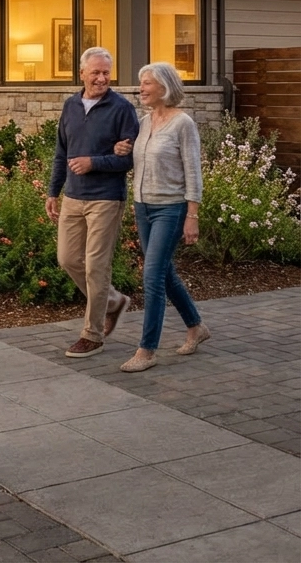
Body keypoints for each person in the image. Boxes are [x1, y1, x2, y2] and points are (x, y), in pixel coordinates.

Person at [46, 48, 139, 358]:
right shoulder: (70, 106)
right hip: (73, 197)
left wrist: (93, 162)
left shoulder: (122, 109)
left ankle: (93, 335)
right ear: (82, 74)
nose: (101, 78)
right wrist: (53, 191)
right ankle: (112, 302)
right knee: (68, 259)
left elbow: (129, 160)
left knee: (96, 266)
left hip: (106, 198)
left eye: (106, 73)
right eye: (96, 72)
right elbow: (61, 153)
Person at [119, 62, 209, 372]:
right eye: (141, 82)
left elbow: (193, 172)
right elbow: (140, 161)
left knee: (152, 276)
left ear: (164, 87)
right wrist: (122, 150)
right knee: (164, 273)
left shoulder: (183, 123)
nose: (141, 88)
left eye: (147, 83)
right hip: (143, 207)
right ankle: (196, 326)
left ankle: (147, 350)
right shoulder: (144, 123)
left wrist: (192, 215)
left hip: (171, 208)